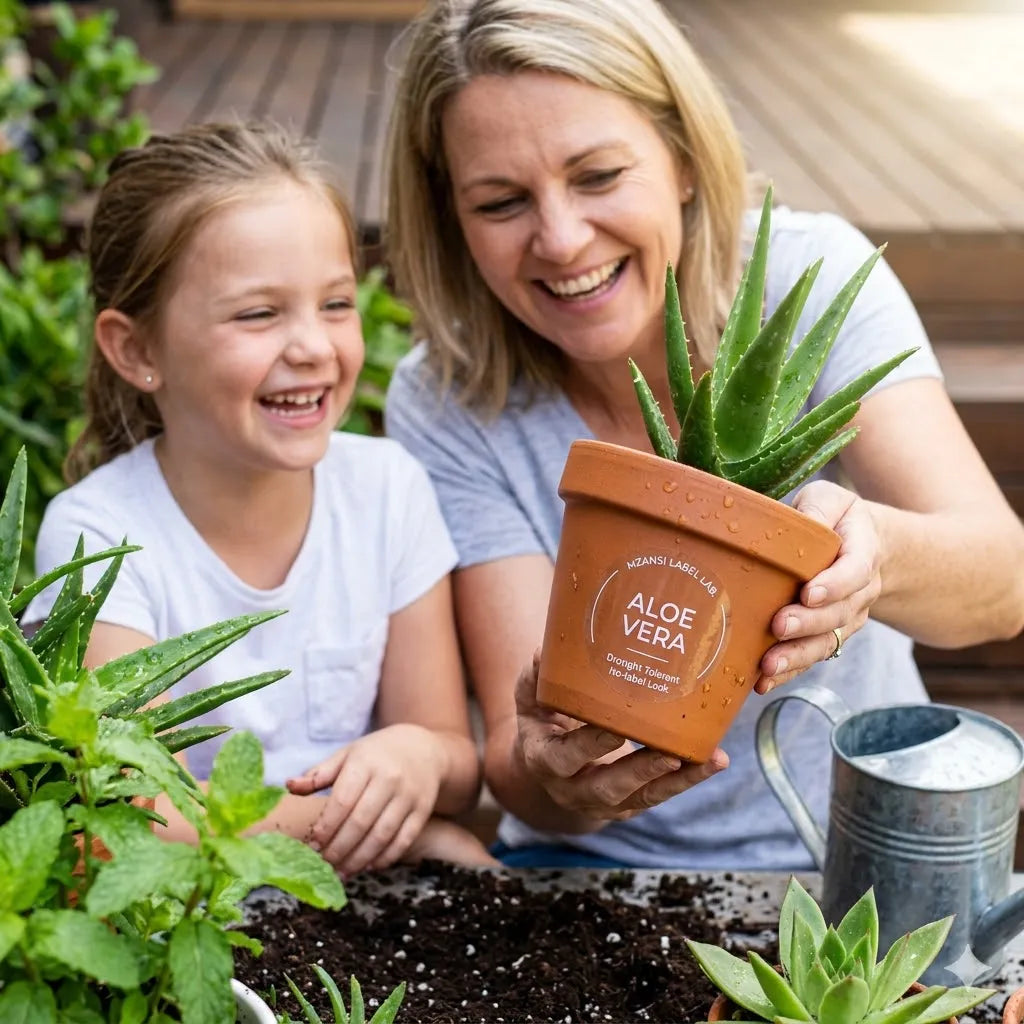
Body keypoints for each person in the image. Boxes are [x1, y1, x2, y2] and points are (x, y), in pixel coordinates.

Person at [383, 0, 1024, 870]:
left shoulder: (806, 277)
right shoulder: (449, 392)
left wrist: (875, 560)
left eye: (600, 176)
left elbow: (1002, 583)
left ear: (683, 159)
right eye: (500, 202)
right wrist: (551, 768)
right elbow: (519, 751)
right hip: (598, 865)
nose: (563, 239)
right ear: (451, 219)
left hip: (859, 850)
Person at [24, 122, 491, 876]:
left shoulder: (387, 490)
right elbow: (124, 807)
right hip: (190, 921)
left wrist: (419, 756)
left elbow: (454, 761)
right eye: (258, 314)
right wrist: (388, 829)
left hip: (357, 908)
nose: (312, 345)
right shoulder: (97, 533)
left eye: (336, 304)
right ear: (137, 350)